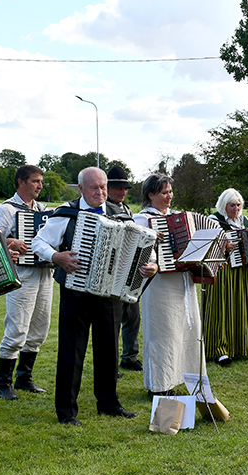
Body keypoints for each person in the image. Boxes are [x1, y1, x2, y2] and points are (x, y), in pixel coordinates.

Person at [33, 167, 157, 426]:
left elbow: (143, 248)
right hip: (75, 291)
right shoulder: (66, 213)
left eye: (103, 187)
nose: (100, 193)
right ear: (80, 188)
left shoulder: (120, 215)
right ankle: (66, 412)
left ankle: (109, 403)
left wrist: (151, 265)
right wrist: (56, 256)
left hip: (110, 293)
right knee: (71, 350)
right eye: (94, 188)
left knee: (109, 349)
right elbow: (39, 243)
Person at [133, 174, 206, 394]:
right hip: (158, 284)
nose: (169, 196)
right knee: (162, 333)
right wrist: (152, 251)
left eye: (170, 192)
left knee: (185, 329)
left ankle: (185, 377)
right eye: (164, 192)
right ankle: (159, 385)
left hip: (183, 280)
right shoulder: (141, 220)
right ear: (151, 194)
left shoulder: (179, 217)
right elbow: (136, 249)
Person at [0, 165, 54, 400]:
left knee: (39, 328)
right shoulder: (6, 209)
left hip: (45, 273)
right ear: (21, 182)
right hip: (22, 274)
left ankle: (24, 378)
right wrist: (11, 242)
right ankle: (3, 383)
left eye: (40, 182)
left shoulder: (44, 211)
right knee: (17, 327)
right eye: (35, 181)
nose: (39, 186)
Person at [203, 188, 248, 366]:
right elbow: (203, 247)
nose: (235, 209)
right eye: (231, 205)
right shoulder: (213, 221)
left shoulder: (246, 221)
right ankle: (219, 349)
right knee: (221, 309)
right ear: (223, 205)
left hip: (244, 271)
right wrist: (222, 247)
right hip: (222, 270)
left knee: (242, 306)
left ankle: (241, 346)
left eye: (238, 205)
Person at [106, 165, 143, 374]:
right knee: (114, 321)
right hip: (113, 272)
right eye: (118, 188)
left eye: (125, 188)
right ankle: (110, 361)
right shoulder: (103, 208)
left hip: (131, 270)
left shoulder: (127, 209)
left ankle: (129, 356)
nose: (122, 192)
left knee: (133, 316)